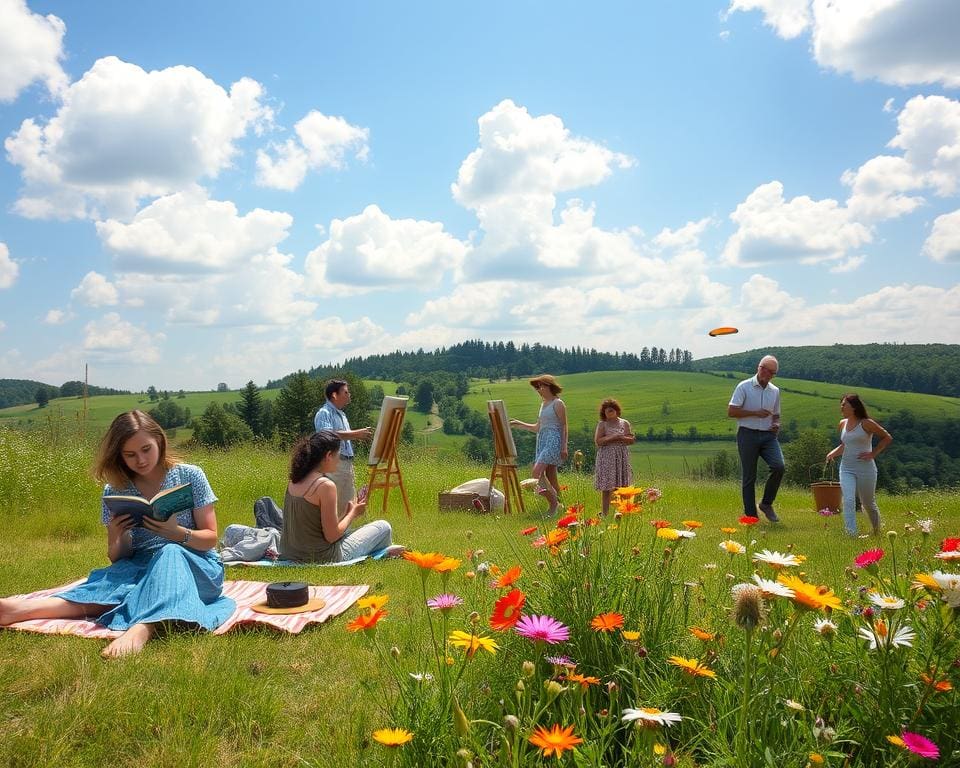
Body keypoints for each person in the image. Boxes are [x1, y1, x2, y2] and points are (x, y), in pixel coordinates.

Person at [0, 410, 234, 658]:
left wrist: (176, 533)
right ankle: (20, 610)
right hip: (140, 565)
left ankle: (143, 628)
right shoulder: (116, 489)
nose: (141, 460)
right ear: (119, 455)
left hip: (195, 564)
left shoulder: (190, 475)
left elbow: (210, 538)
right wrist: (117, 534)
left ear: (160, 441)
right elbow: (117, 557)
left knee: (169, 552)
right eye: (130, 454)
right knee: (110, 586)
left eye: (146, 449)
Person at [279, 430, 402, 563]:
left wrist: (346, 514)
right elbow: (332, 536)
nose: (339, 459)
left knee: (360, 533)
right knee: (383, 527)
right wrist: (353, 514)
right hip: (323, 557)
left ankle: (379, 553)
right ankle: (384, 555)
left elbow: (316, 528)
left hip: (290, 554)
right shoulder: (325, 486)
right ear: (328, 456)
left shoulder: (294, 481)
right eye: (338, 454)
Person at [825, 393, 893, 537]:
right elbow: (845, 445)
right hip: (846, 468)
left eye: (844, 404)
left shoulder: (866, 423)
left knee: (868, 503)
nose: (841, 407)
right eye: (841, 404)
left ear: (854, 407)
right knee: (848, 499)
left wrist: (873, 454)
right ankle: (851, 534)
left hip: (865, 469)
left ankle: (876, 532)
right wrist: (832, 453)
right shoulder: (842, 423)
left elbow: (887, 437)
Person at [727, 355, 784, 522]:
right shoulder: (744, 387)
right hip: (747, 434)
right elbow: (732, 411)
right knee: (749, 476)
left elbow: (776, 414)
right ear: (759, 368)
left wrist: (776, 423)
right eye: (765, 369)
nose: (767, 374)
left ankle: (766, 504)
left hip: (768, 436)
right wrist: (755, 413)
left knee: (779, 466)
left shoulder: (775, 391)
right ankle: (751, 516)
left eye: (772, 372)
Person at [510, 374, 568, 516]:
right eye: (537, 387)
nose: (538, 389)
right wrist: (518, 424)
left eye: (541, 386)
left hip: (553, 440)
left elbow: (564, 426)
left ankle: (553, 505)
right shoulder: (543, 404)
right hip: (542, 440)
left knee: (536, 472)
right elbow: (537, 427)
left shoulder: (558, 403)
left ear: (549, 386)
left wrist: (564, 447)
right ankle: (562, 506)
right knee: (551, 475)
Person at [314, 379, 372, 519]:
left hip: (346, 464)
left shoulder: (342, 415)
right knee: (333, 504)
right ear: (334, 395)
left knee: (348, 504)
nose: (349, 395)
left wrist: (356, 436)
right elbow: (327, 435)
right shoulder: (324, 413)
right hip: (335, 464)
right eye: (345, 392)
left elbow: (344, 437)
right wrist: (356, 434)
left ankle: (342, 534)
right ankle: (330, 535)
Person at [594, 398, 635, 515]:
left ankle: (622, 511)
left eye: (612, 410)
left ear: (617, 410)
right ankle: (605, 513)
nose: (610, 413)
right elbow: (598, 441)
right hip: (607, 457)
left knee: (622, 486)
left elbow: (631, 439)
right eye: (607, 411)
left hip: (621, 456)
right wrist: (612, 437)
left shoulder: (624, 423)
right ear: (604, 413)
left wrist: (621, 438)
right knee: (606, 486)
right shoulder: (602, 424)